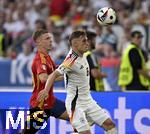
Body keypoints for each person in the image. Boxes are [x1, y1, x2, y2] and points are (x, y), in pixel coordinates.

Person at [37, 30, 117, 134]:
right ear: (75, 44)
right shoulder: (71, 59)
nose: (87, 43)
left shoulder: (82, 54)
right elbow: (54, 74)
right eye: (84, 41)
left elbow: (67, 75)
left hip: (88, 100)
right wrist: (46, 90)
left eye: (87, 40)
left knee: (110, 125)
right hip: (76, 104)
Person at [22, 29, 72, 134]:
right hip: (39, 104)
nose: (51, 41)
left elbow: (55, 72)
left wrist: (69, 68)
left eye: (50, 38)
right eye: (47, 38)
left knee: (76, 118)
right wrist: (65, 76)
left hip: (51, 102)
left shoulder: (47, 57)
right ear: (38, 42)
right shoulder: (40, 59)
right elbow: (44, 78)